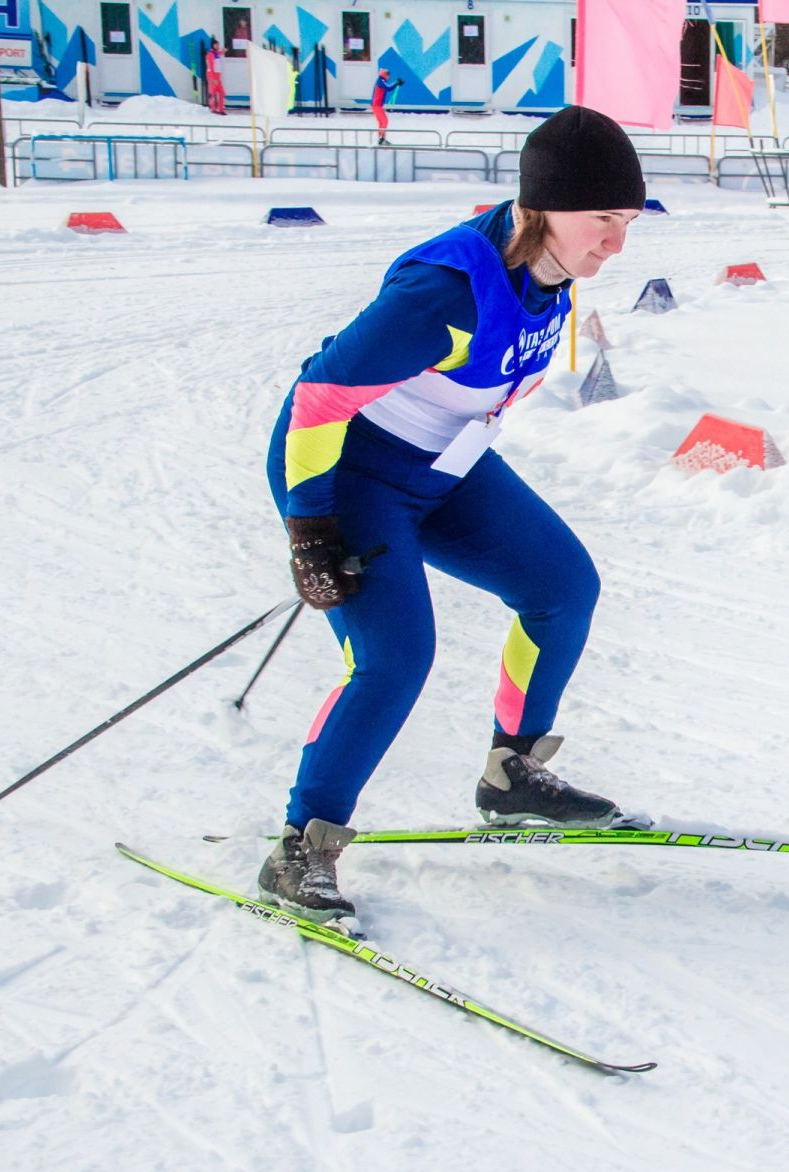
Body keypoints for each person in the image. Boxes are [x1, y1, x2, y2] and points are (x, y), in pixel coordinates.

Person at [258, 106, 645, 927]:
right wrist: (311, 529)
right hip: (348, 472)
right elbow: (319, 397)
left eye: (628, 221)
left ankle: (513, 774)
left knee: (562, 586)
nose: (617, 242)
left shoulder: (550, 271)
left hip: (445, 468)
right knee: (396, 657)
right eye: (602, 220)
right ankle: (301, 845)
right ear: (543, 209)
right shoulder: (443, 291)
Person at [372, 69, 401, 145]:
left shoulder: (380, 80)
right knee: (384, 121)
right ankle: (381, 139)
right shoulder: (381, 81)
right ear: (385, 75)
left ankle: (381, 139)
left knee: (382, 122)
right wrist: (396, 83)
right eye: (388, 76)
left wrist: (396, 83)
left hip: (376, 105)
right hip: (377, 106)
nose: (389, 78)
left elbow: (387, 87)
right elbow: (388, 88)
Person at [203, 39, 225, 115]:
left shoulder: (216, 53)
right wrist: (213, 78)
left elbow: (220, 53)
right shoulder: (210, 54)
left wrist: (224, 51)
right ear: (213, 45)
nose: (218, 46)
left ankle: (220, 109)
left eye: (218, 44)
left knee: (221, 92)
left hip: (218, 75)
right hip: (212, 75)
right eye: (216, 45)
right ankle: (213, 109)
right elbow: (211, 67)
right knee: (212, 92)